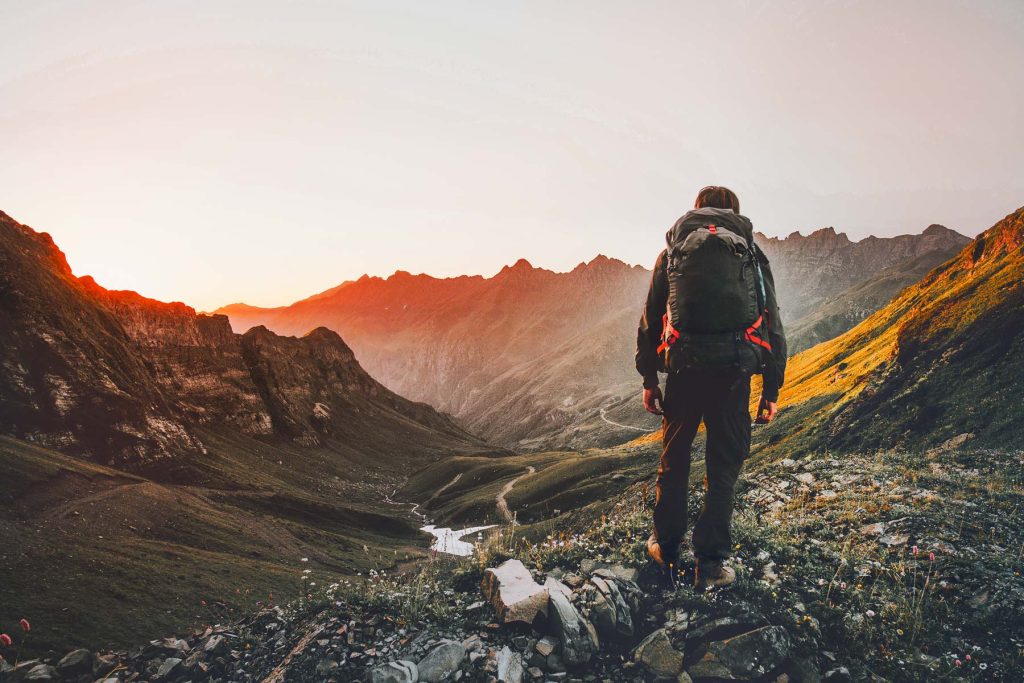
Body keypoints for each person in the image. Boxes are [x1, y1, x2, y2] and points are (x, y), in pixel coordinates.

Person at [635, 186, 787, 589]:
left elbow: (651, 320)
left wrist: (650, 380)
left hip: (684, 371)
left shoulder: (672, 254)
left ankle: (666, 549)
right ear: (735, 213)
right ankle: (711, 565)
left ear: (696, 210)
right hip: (733, 374)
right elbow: (772, 322)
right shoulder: (752, 255)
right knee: (722, 469)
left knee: (675, 461)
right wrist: (771, 390)